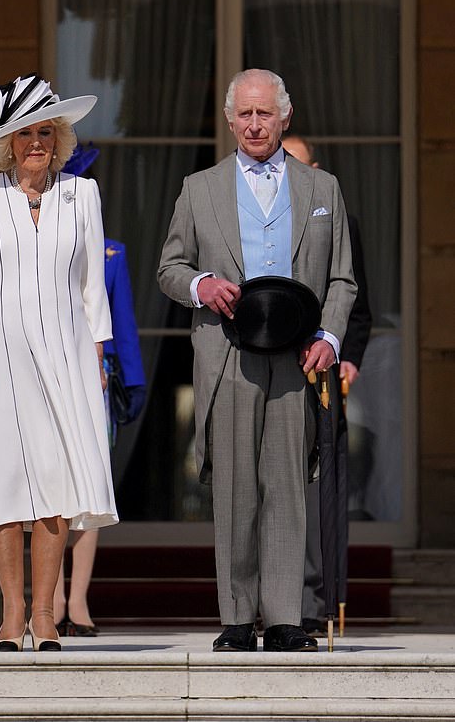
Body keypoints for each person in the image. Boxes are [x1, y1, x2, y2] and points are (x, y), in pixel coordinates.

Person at [158, 69, 357, 653]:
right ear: (229, 119)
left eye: (263, 114)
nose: (253, 124)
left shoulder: (324, 190)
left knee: (288, 488)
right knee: (237, 489)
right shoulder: (200, 188)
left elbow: (343, 279)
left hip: (297, 358)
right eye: (243, 114)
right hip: (228, 356)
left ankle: (288, 617)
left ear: (284, 117)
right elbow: (169, 267)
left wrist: (330, 337)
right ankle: (238, 618)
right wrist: (201, 286)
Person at [0, 72, 118, 653]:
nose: (35, 143)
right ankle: (11, 612)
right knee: (0, 482)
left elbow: (93, 286)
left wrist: (98, 356)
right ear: (7, 143)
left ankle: (45, 614)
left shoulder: (80, 195)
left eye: (45, 132)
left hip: (65, 357)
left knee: (57, 481)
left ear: (58, 139)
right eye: (23, 134)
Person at [53, 145, 146, 636]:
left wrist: (133, 381)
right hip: (47, 376)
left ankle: (79, 602)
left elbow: (123, 324)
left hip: (96, 381)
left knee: (89, 489)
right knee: (50, 490)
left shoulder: (112, 253)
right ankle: (49, 600)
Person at [282, 135, 373, 637]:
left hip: (322, 371)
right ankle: (269, 600)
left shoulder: (341, 222)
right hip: (271, 371)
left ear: (315, 170)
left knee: (321, 492)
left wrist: (348, 356)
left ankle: (315, 601)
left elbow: (359, 304)